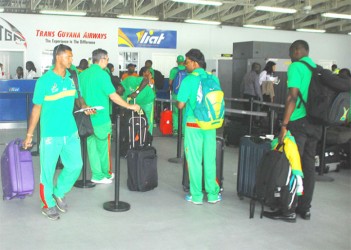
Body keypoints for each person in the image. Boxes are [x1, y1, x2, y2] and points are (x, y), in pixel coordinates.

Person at [22, 44, 94, 221]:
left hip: (70, 131)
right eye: (68, 56)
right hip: (50, 134)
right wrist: (29, 135)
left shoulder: (72, 77)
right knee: (47, 171)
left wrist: (85, 107)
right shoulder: (44, 81)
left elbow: (79, 99)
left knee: (76, 165)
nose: (71, 60)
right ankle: (47, 203)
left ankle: (58, 192)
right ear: (58, 57)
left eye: (71, 57)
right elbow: (36, 109)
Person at [264, 40, 322, 222]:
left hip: (299, 122)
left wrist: (284, 125)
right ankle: (304, 208)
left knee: (291, 163)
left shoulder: (296, 67)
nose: (290, 56)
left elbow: (292, 96)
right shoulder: (317, 68)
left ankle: (287, 209)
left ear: (297, 51)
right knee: (308, 166)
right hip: (316, 123)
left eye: (291, 52)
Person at [79, 48, 140, 184]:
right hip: (101, 118)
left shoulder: (82, 75)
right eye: (107, 59)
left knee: (92, 147)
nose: (107, 61)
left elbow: (79, 96)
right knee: (103, 148)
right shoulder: (102, 75)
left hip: (87, 119)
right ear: (102, 59)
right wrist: (129, 106)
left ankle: (97, 175)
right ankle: (104, 174)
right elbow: (113, 95)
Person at [177, 48, 221, 205]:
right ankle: (212, 194)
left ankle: (196, 196)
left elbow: (181, 105)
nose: (185, 66)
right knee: (210, 159)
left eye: (187, 62)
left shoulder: (188, 80)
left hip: (193, 124)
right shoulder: (213, 79)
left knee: (194, 160)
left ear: (195, 63)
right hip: (210, 124)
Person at [119, 68, 156, 135]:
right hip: (135, 103)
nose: (120, 95)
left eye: (119, 93)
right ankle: (138, 137)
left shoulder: (129, 80)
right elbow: (122, 106)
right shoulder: (120, 94)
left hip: (147, 100)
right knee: (136, 119)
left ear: (119, 87)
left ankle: (148, 137)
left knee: (148, 119)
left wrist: (137, 92)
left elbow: (145, 80)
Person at [169, 55, 186, 135]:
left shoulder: (174, 70)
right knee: (184, 113)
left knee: (175, 113)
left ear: (177, 61)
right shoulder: (188, 70)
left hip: (176, 94)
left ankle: (175, 130)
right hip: (185, 95)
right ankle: (183, 132)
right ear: (184, 61)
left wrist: (171, 89)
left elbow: (170, 82)